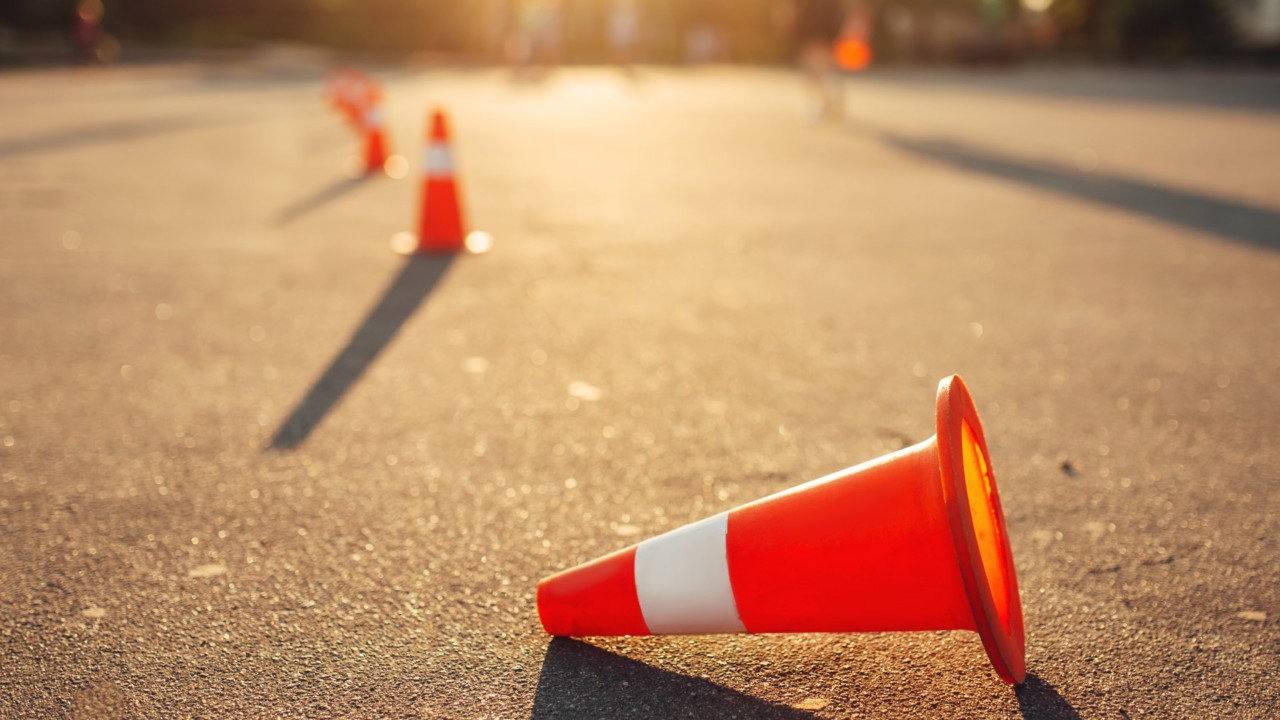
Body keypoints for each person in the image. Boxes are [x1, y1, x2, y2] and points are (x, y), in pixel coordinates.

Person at [790, 0, 846, 120]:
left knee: (814, 68)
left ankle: (817, 103)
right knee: (824, 67)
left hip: (815, 29)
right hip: (827, 29)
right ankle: (828, 101)